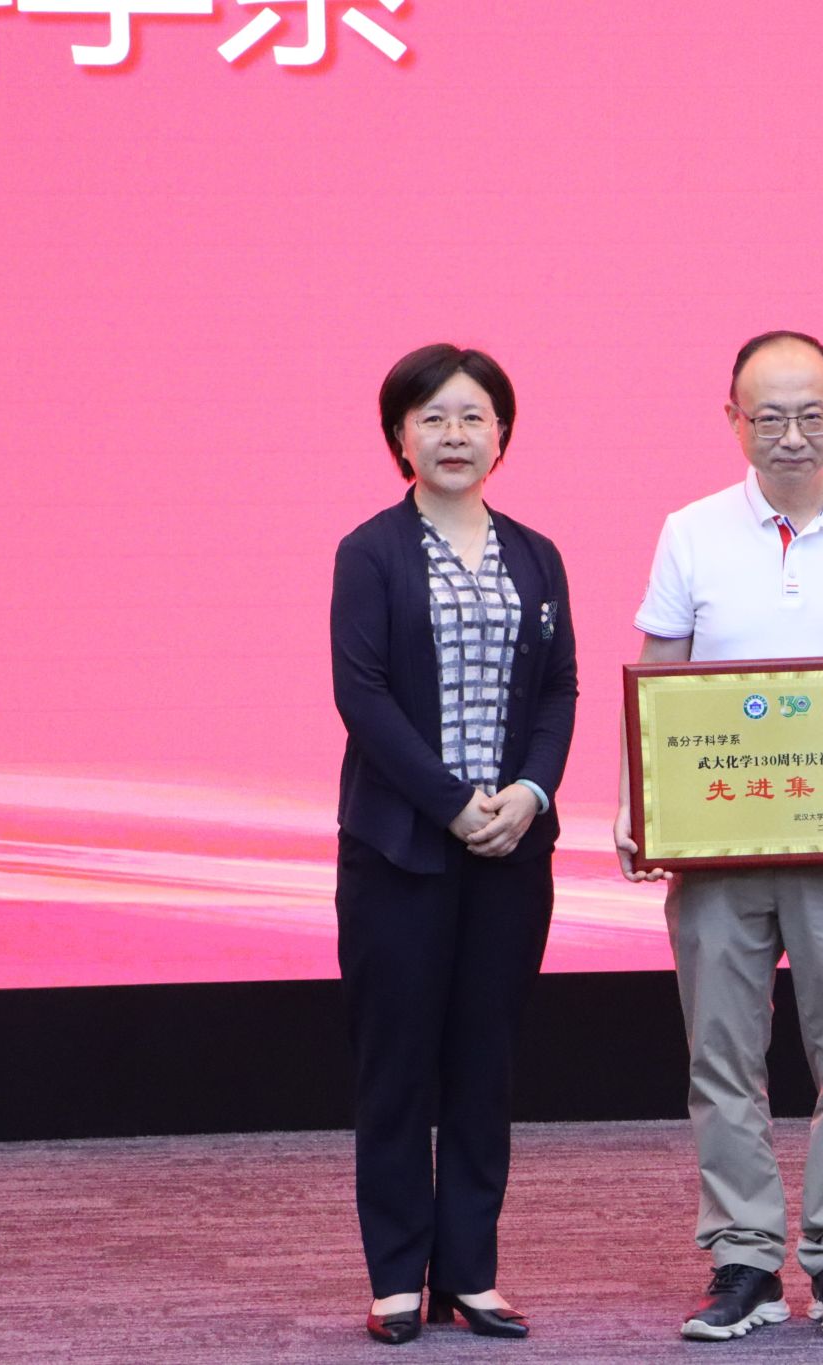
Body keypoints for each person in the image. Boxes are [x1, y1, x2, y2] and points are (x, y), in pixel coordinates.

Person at [614, 331, 823, 1341]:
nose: (791, 435)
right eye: (769, 417)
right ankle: (744, 1259)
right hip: (718, 845)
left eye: (810, 415)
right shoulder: (691, 532)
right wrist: (636, 806)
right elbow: (657, 677)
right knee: (720, 1055)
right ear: (733, 420)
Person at [329, 343, 577, 1345]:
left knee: (484, 1063)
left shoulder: (536, 554)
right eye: (432, 418)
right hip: (400, 852)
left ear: (502, 433)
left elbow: (556, 690)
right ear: (400, 436)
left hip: (511, 853)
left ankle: (470, 1272)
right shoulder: (369, 552)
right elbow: (362, 696)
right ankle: (397, 1276)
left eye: (473, 416)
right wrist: (450, 804)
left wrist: (527, 792)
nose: (454, 435)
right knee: (396, 1064)